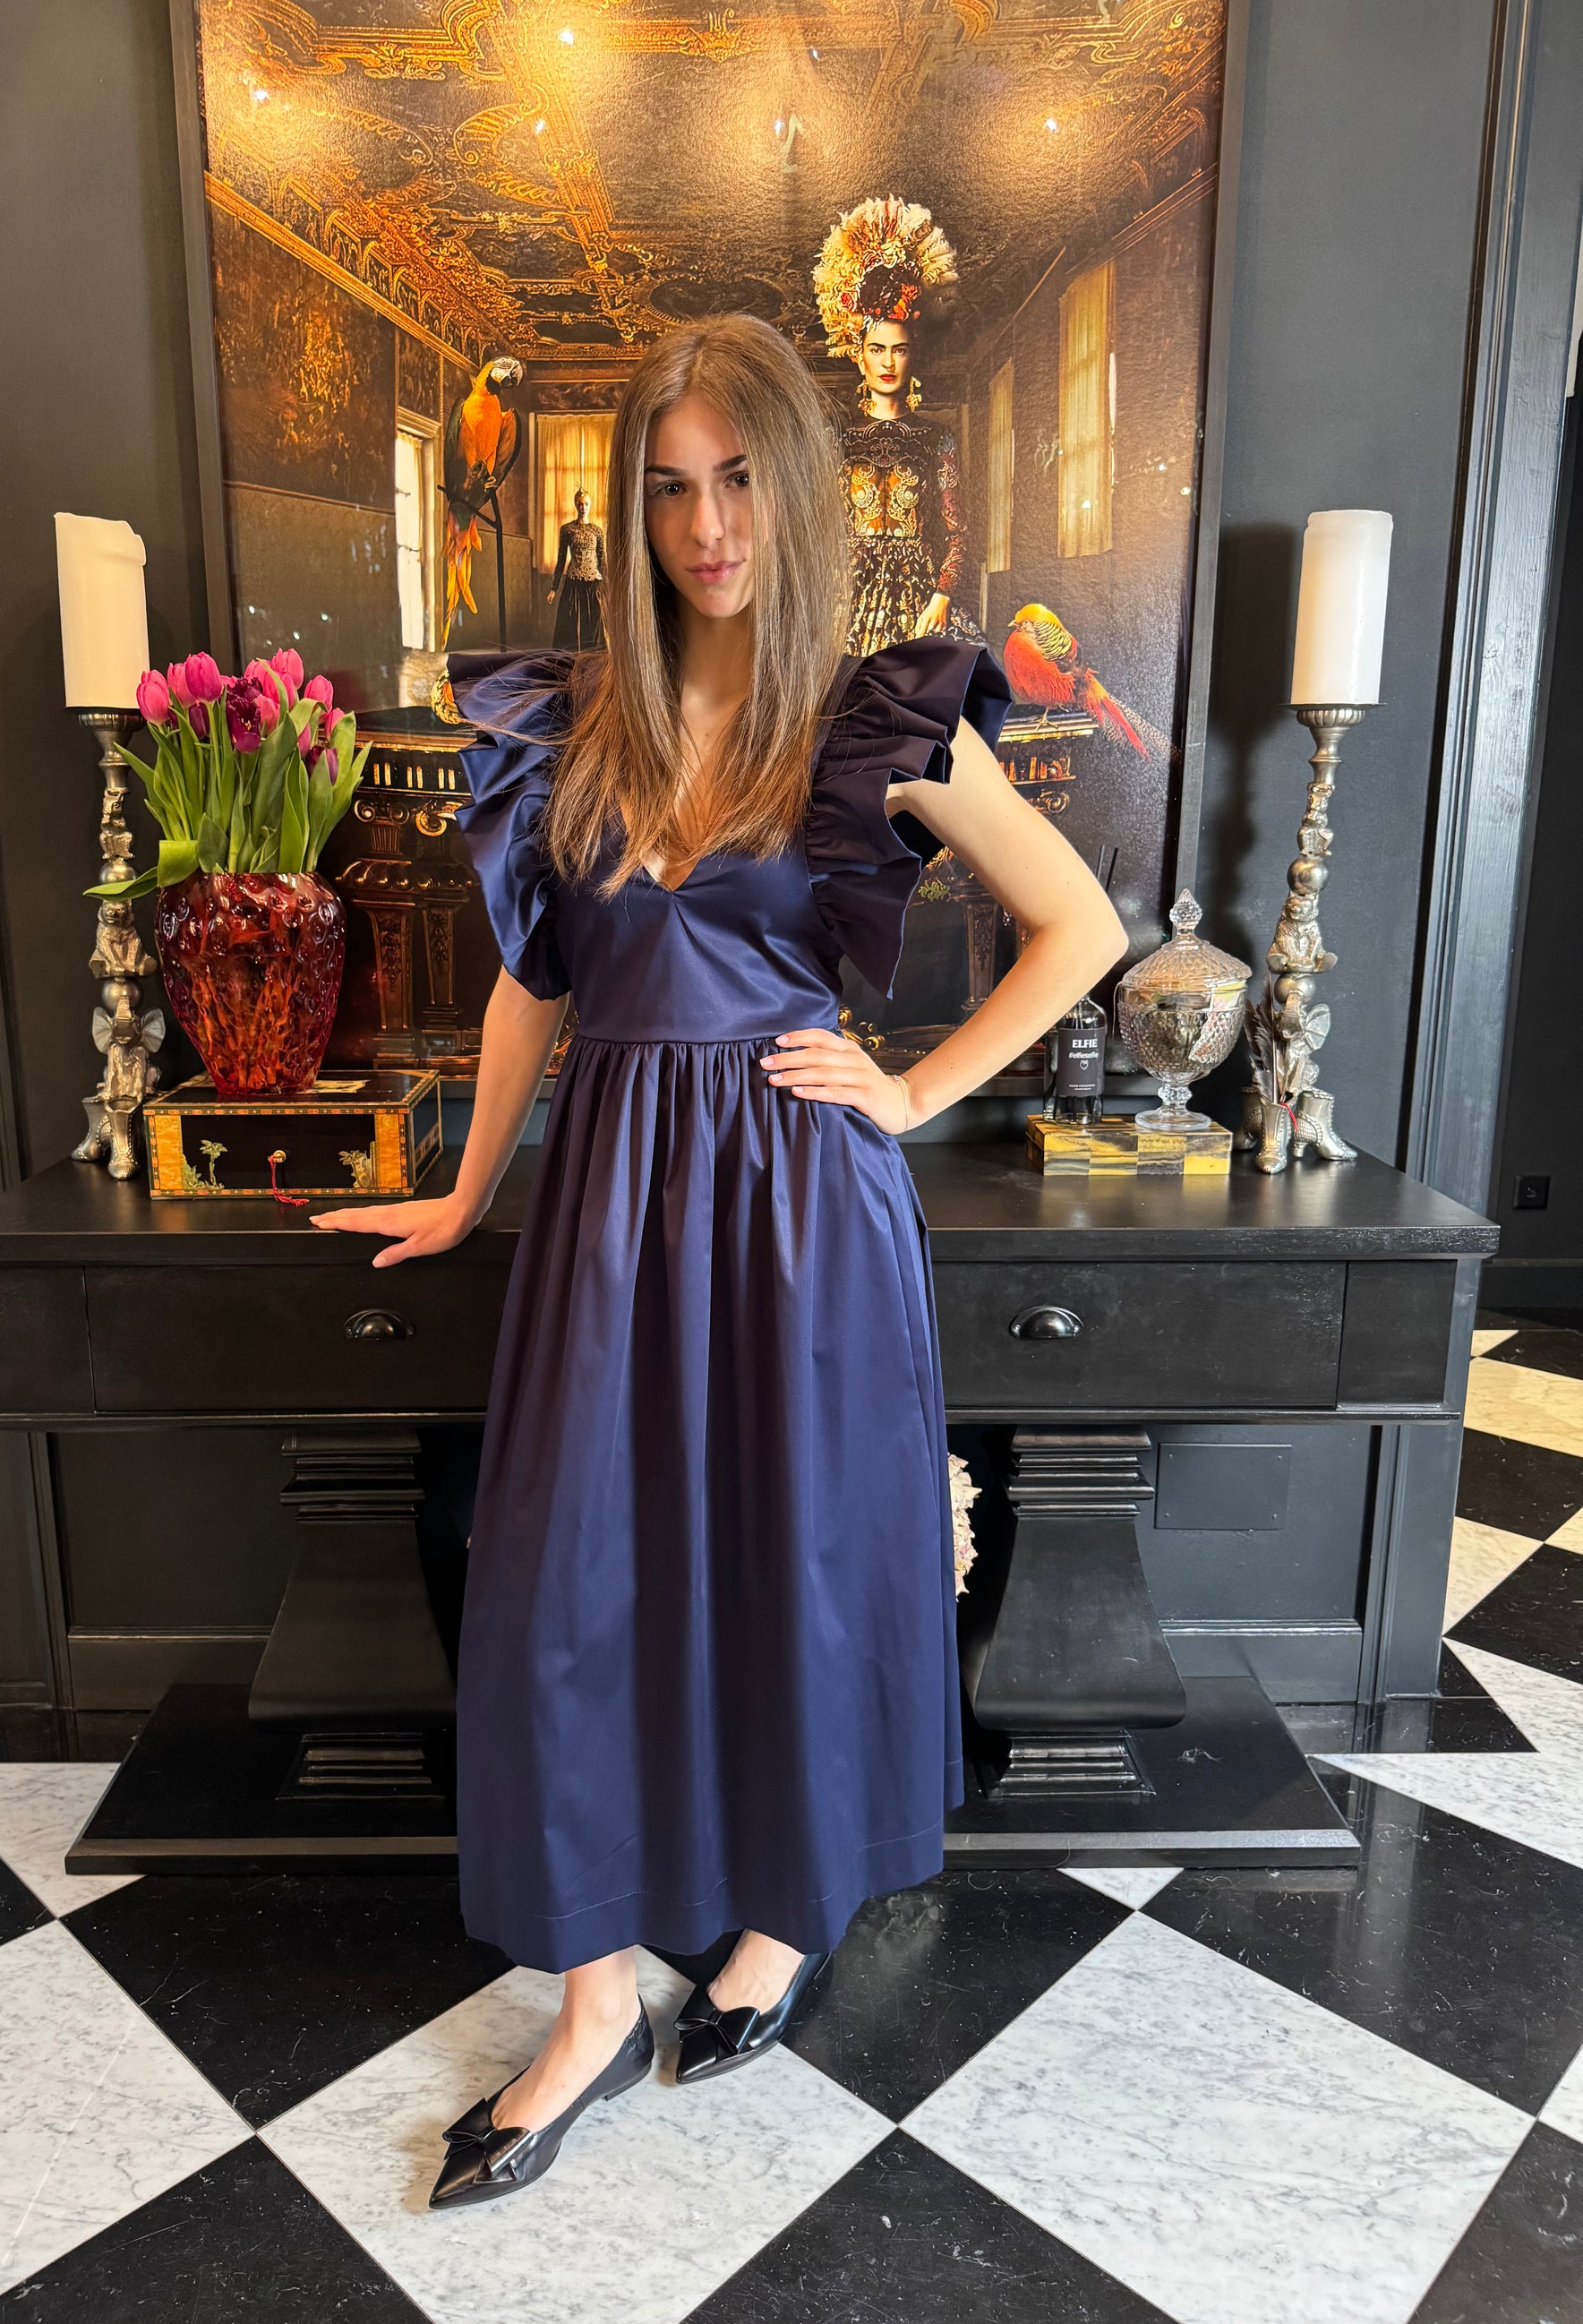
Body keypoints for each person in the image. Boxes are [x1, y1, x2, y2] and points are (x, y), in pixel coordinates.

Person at [311, 313, 1125, 2209]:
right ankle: (591, 1998)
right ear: (631, 509)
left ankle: (781, 1916)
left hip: (798, 1210)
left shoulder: (872, 719)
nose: (706, 525)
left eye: (739, 479)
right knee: (565, 1592)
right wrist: (464, 1191)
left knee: (794, 1569)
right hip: (606, 1210)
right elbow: (534, 984)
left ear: (797, 487)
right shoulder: (569, 718)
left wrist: (908, 1091)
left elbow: (1078, 926)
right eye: (670, 487)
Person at [815, 196, 987, 653]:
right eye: (877, 350)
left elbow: (958, 533)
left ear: (912, 356)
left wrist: (942, 596)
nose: (888, 362)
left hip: (920, 599)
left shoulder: (936, 438)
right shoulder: (838, 438)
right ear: (859, 357)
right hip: (848, 602)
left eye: (899, 350)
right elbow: (820, 531)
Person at [547, 486, 606, 650]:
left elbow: (602, 560)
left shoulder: (597, 531)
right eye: (580, 504)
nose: (583, 508)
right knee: (570, 623)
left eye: (586, 504)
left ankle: (592, 658)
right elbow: (561, 560)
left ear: (590, 505)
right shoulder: (567, 530)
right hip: (573, 581)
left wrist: (607, 585)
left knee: (593, 623)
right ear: (576, 505)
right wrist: (554, 588)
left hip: (593, 582)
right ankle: (569, 658)